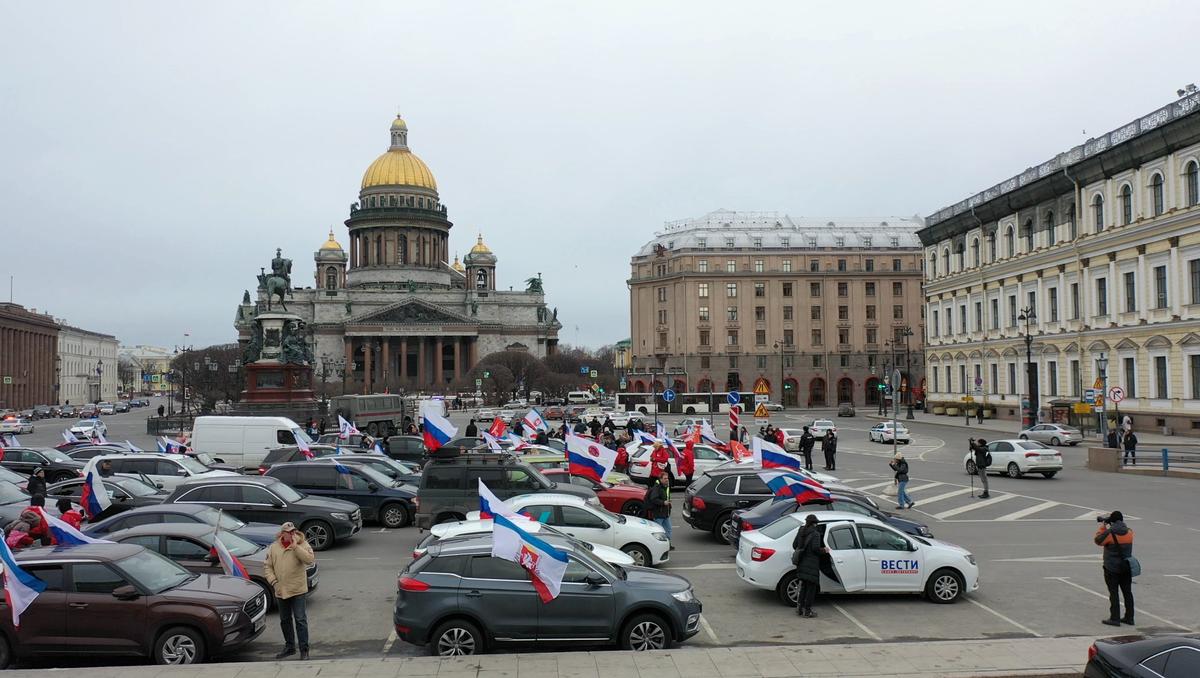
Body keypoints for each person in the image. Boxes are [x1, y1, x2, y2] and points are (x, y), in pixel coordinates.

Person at [265, 522, 316, 660]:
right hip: (281, 590)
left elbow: (310, 560)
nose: (292, 534)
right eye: (289, 532)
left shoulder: (302, 544)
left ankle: (304, 650)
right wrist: (274, 582)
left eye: (293, 531)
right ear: (283, 534)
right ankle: (290, 647)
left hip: (297, 589)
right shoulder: (274, 547)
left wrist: (296, 548)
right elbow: (268, 567)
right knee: (285, 620)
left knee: (300, 620)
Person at [1094, 511, 1134, 626]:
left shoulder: (1110, 533)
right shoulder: (1130, 532)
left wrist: (1103, 526)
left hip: (1112, 568)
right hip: (1126, 567)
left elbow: (1098, 540)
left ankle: (1115, 618)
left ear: (1112, 521)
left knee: (1114, 593)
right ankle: (1129, 617)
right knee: (1127, 593)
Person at [791, 514, 826, 617]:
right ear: (814, 523)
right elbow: (815, 549)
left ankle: (799, 609)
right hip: (811, 564)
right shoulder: (815, 534)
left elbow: (794, 545)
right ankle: (807, 611)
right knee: (811, 588)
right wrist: (824, 550)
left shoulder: (801, 530)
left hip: (801, 562)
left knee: (803, 586)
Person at [645, 473, 672, 541]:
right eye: (665, 478)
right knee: (659, 531)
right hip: (658, 514)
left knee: (668, 529)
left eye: (667, 478)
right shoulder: (657, 488)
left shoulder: (666, 487)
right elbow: (653, 499)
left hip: (666, 513)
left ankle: (668, 544)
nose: (667, 480)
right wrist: (663, 502)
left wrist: (668, 503)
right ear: (660, 479)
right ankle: (658, 544)